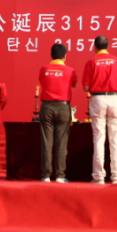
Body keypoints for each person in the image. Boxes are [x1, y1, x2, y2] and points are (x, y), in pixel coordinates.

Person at [82, 35, 117, 184]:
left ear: (95, 47)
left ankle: (99, 176)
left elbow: (85, 87)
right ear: (108, 46)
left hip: (98, 99)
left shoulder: (91, 62)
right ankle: (116, 176)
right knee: (115, 139)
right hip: (115, 99)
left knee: (98, 139)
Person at [38, 43, 77, 182]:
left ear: (51, 55)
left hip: (47, 107)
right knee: (61, 142)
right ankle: (60, 175)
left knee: (46, 142)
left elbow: (41, 82)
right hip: (63, 107)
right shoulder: (70, 70)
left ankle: (46, 175)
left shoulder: (43, 69)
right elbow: (74, 84)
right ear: (65, 56)